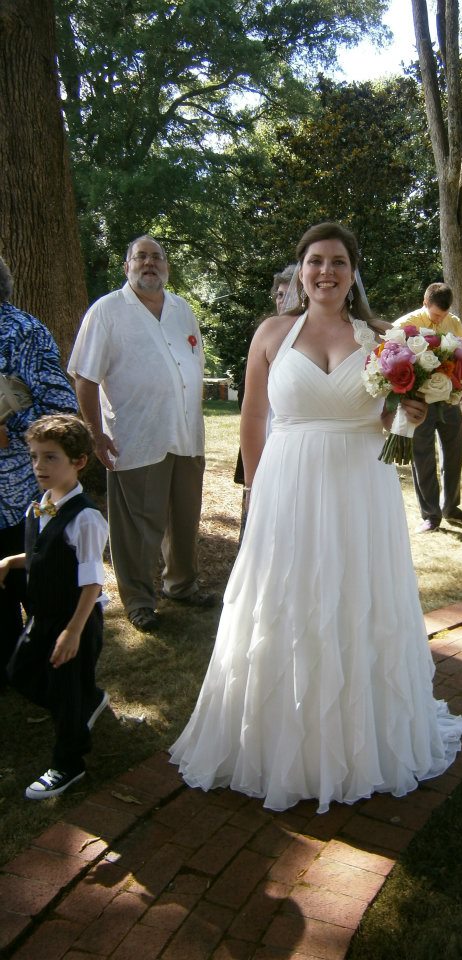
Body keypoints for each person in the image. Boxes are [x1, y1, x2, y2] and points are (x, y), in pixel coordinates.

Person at [170, 222, 462, 813]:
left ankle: (360, 741)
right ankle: (279, 736)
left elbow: (392, 440)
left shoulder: (384, 338)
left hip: (363, 485)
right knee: (286, 598)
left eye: (337, 261)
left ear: (354, 271)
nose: (325, 271)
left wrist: (407, 417)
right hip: (287, 483)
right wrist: (255, 492)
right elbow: (253, 418)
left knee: (355, 598)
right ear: (300, 271)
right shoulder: (271, 334)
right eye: (315, 261)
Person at [68, 235, 213, 633]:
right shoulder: (107, 311)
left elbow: (193, 363)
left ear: (167, 266)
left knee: (184, 519)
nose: (150, 263)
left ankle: (181, 585)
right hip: (136, 434)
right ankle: (138, 600)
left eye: (157, 258)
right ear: (127, 266)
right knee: (136, 527)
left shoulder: (183, 309)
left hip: (185, 434)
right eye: (141, 257)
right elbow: (84, 376)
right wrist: (96, 435)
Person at [0, 415, 109, 799]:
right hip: (42, 618)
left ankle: (69, 762)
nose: (39, 467)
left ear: (78, 461)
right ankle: (86, 703)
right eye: (34, 457)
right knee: (19, 673)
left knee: (64, 694)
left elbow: (92, 580)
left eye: (51, 458)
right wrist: (12, 562)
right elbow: (43, 553)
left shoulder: (87, 519)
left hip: (74, 620)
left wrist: (73, 631)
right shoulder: (39, 506)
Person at [0, 255, 78, 676]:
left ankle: (54, 667)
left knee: (36, 589)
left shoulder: (24, 333)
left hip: (18, 496)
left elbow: (62, 412)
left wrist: (11, 432)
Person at [393, 283, 462, 533]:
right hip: (419, 402)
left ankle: (451, 507)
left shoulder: (454, 323)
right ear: (424, 302)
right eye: (436, 315)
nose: (441, 320)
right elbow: (391, 365)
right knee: (423, 457)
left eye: (444, 315)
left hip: (449, 398)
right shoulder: (404, 325)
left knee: (454, 454)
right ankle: (431, 515)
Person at [234, 264, 296, 485]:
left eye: (289, 295)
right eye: (279, 295)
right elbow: (246, 395)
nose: (282, 301)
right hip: (265, 425)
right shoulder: (266, 333)